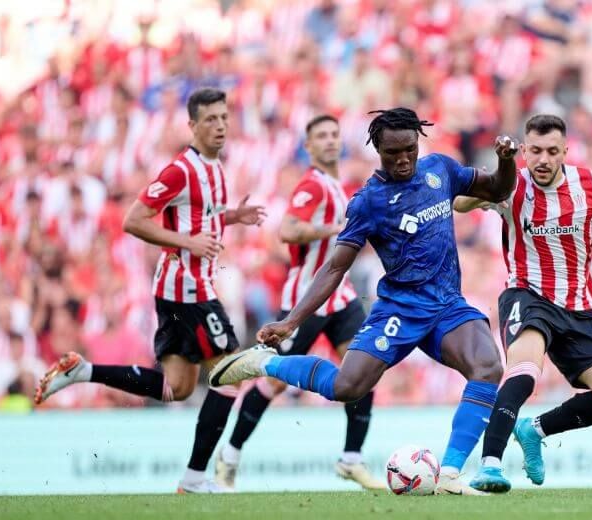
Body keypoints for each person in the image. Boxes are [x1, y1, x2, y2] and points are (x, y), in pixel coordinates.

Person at [210, 107, 518, 495]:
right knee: (346, 387)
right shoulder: (368, 201)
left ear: (418, 143)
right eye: (393, 153)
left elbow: (498, 189)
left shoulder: (441, 170)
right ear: (377, 150)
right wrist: (291, 322)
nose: (403, 159)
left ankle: (451, 474)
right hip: (400, 309)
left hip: (446, 305)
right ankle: (265, 364)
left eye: (409, 149)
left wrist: (506, 161)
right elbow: (335, 267)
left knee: (488, 366)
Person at [34, 87, 268, 493]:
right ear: (191, 125)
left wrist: (232, 217)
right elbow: (133, 220)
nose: (220, 125)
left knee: (175, 387)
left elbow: (199, 218)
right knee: (231, 374)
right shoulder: (181, 169)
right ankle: (195, 478)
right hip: (187, 290)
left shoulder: (215, 169)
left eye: (224, 117)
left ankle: (82, 370)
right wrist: (187, 244)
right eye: (210, 119)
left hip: (180, 290)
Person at [454, 114, 592, 493]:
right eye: (535, 151)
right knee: (524, 371)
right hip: (528, 295)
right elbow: (460, 204)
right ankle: (490, 464)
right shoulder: (510, 185)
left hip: (579, 306)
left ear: (565, 151)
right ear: (524, 150)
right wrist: (498, 170)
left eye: (552, 151)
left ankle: (534, 430)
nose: (543, 160)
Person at [214, 115, 385, 491]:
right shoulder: (313, 186)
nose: (328, 141)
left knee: (364, 369)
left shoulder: (339, 187)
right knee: (272, 383)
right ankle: (230, 453)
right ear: (308, 147)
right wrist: (335, 230)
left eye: (333, 134)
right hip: (304, 300)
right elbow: (288, 229)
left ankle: (351, 459)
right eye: (320, 136)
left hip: (339, 298)